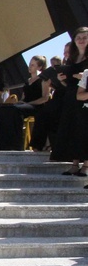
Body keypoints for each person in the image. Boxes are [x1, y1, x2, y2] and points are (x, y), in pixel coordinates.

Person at [0, 56, 50, 151]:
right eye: (30, 64)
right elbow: (24, 97)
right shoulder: (28, 81)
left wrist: (30, 103)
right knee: (3, 109)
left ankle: (16, 144)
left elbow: (45, 98)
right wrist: (19, 102)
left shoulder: (43, 80)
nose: (29, 67)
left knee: (16, 110)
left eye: (32, 65)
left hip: (36, 106)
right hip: (25, 104)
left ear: (39, 67)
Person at [51, 27, 88, 175]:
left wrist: (84, 77)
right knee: (72, 130)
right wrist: (62, 80)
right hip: (71, 98)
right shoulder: (72, 58)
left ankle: (85, 166)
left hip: (85, 98)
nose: (81, 40)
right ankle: (74, 164)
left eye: (85, 37)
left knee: (85, 131)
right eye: (78, 37)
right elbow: (69, 85)